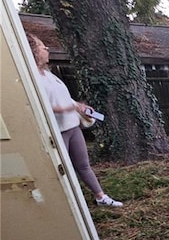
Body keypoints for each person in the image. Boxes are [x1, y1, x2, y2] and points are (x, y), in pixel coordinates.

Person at [26, 33, 123, 207]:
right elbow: (39, 105)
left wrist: (80, 107)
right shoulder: (31, 78)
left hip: (72, 127)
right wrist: (66, 108)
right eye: (42, 46)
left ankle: (101, 197)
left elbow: (65, 99)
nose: (46, 49)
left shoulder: (49, 75)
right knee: (61, 170)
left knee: (83, 165)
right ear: (33, 51)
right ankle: (67, 205)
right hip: (57, 133)